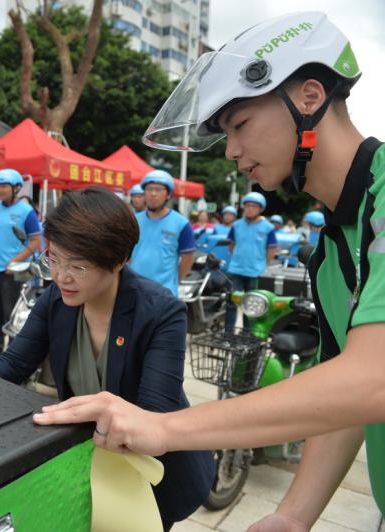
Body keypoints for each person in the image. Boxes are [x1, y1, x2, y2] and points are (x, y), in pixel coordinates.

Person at [33, 12, 385, 530]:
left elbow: (371, 381)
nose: (234, 153)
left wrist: (166, 428)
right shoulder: (331, 245)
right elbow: (343, 398)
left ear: (310, 98)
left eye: (240, 126)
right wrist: (293, 514)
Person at [0, 187, 214, 529]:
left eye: (79, 266)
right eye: (53, 258)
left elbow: (153, 415)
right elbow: (12, 365)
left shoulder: (162, 312)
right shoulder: (55, 301)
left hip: (150, 476)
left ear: (119, 261)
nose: (61, 276)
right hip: (88, 465)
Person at [0, 169, 42, 362]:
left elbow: (35, 241)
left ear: (16, 188)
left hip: (13, 272)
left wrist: (16, 260)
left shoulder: (26, 212)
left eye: (4, 186)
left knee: (12, 314)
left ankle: (13, 354)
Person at [130, 170, 195, 297]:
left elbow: (188, 258)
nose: (153, 194)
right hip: (134, 289)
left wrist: (175, 281)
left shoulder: (181, 223)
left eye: (159, 189)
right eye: (149, 189)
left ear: (168, 194)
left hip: (165, 293)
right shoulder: (133, 220)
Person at [224, 192, 278, 332]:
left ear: (260, 209)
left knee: (253, 304)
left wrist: (263, 264)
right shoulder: (236, 225)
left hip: (255, 271)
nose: (249, 209)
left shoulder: (268, 227)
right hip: (236, 269)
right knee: (231, 303)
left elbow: (271, 250)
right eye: (247, 206)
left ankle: (248, 335)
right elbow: (231, 245)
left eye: (253, 206)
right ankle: (228, 334)